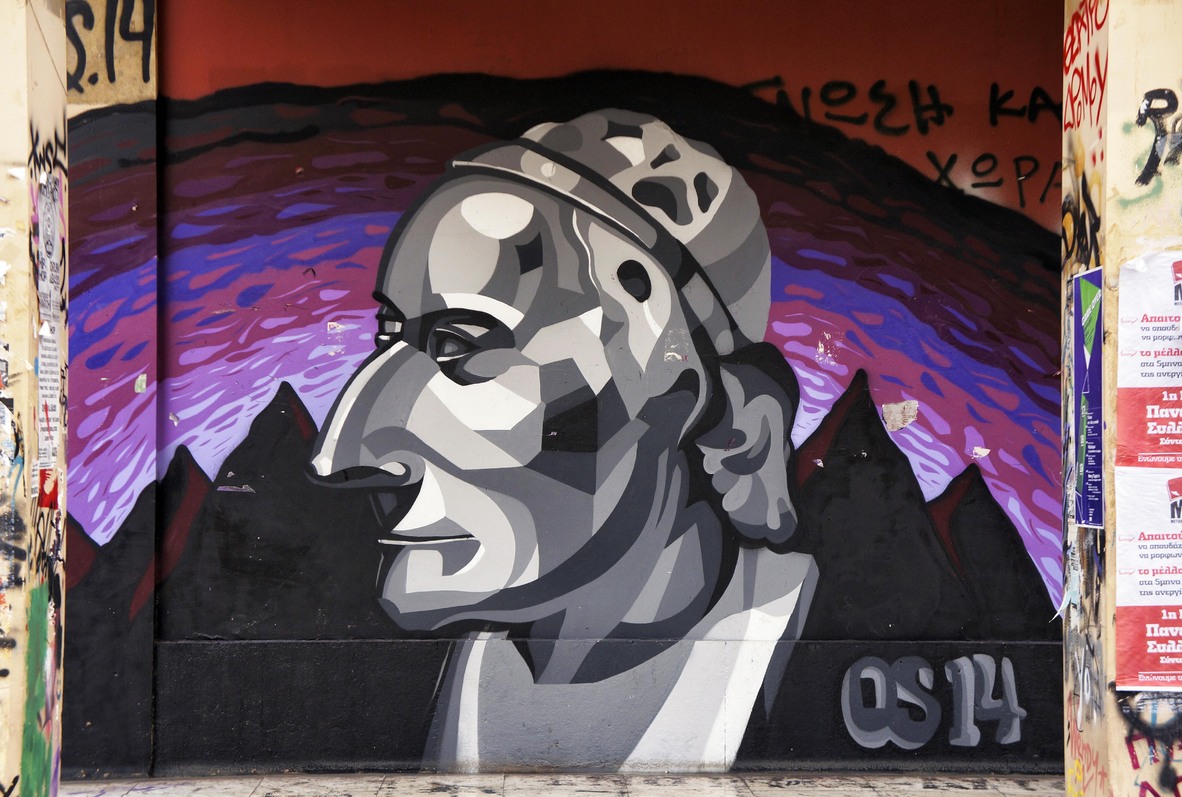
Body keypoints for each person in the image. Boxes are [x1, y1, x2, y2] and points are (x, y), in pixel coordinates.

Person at [310, 109, 817, 771]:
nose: (340, 455)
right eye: (388, 339)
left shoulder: (819, 667)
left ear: (679, 398)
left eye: (460, 347)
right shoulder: (462, 653)